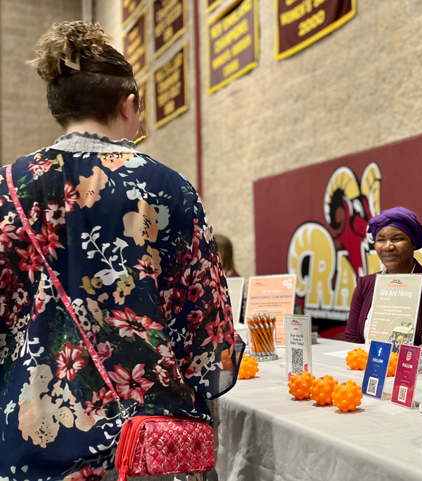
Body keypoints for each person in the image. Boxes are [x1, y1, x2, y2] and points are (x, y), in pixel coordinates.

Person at [0, 22, 241, 481]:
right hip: (143, 450)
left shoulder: (6, 189)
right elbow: (208, 338)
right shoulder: (167, 188)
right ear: (128, 105)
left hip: (28, 438)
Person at [345, 207, 422, 347]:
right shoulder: (366, 284)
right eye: (381, 240)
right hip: (370, 366)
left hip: (421, 368)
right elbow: (352, 340)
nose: (388, 247)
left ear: (413, 243)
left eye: (397, 239)